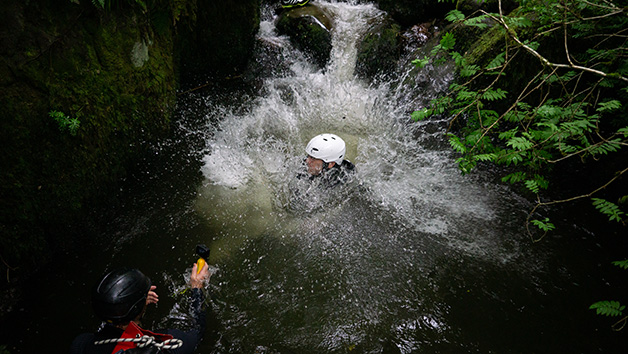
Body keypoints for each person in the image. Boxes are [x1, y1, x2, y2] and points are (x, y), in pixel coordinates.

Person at [70, 262, 210, 354]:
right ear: (137, 308)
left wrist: (137, 302)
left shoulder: (81, 344)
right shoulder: (166, 345)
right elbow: (197, 331)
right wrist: (197, 287)